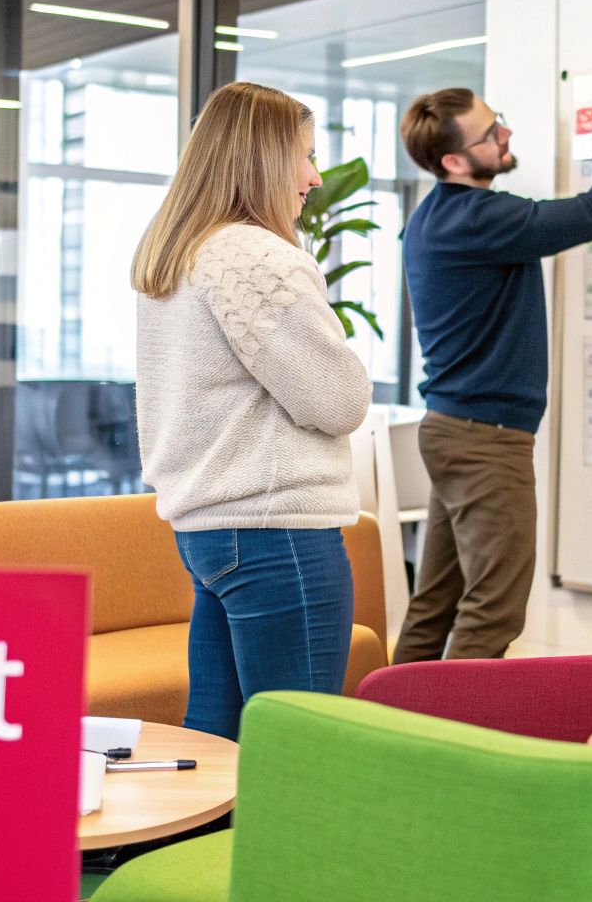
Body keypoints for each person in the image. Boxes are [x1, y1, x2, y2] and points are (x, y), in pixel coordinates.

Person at [131, 81, 373, 741]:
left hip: (209, 529)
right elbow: (339, 400)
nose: (314, 178)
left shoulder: (179, 251)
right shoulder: (254, 255)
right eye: (305, 156)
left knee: (215, 738)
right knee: (296, 744)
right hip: (276, 529)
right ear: (262, 161)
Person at [393, 84, 592, 663]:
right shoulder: (478, 219)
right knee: (495, 610)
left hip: (456, 431)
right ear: (454, 161)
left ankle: (389, 717)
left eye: (499, 121)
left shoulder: (436, 216)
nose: (506, 134)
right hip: (484, 440)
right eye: (491, 132)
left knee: (436, 604)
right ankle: (452, 724)